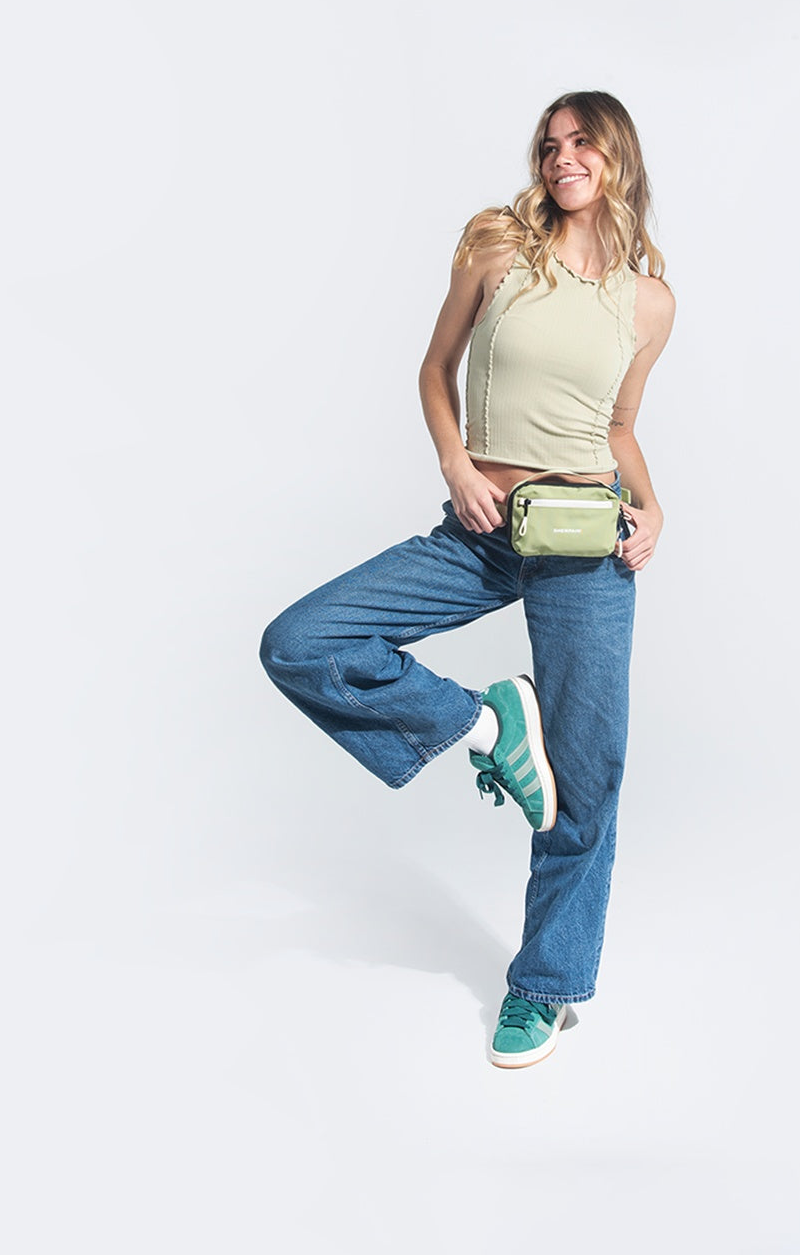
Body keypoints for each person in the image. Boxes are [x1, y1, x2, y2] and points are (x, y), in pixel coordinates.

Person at [260, 90, 676, 1068]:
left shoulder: (649, 301)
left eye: (582, 142)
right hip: (484, 527)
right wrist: (456, 463)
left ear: (617, 156)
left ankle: (545, 985)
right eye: (550, 143)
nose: (562, 156)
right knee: (301, 641)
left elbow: (618, 427)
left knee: (587, 778)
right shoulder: (496, 246)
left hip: (588, 540)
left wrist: (654, 507)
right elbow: (435, 369)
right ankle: (490, 727)